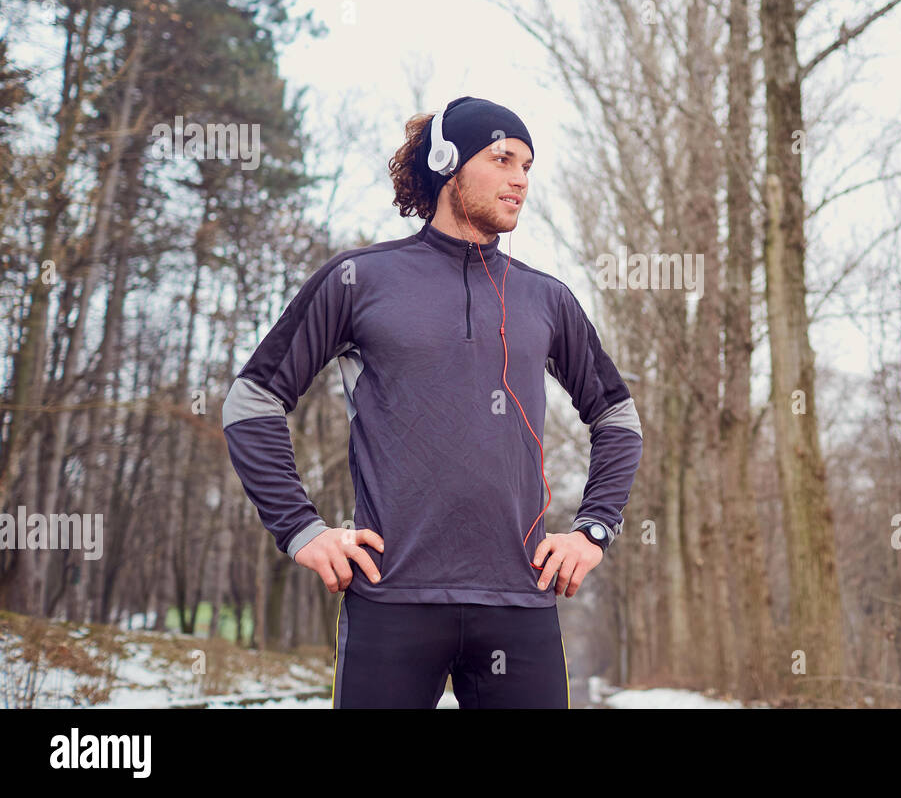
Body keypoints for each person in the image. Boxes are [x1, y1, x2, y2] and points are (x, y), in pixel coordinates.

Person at [221, 95, 643, 708]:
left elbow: (617, 416)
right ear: (448, 163)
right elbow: (252, 399)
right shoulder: (359, 280)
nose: (520, 179)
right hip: (391, 599)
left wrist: (593, 530)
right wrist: (301, 530)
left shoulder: (546, 299)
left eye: (528, 165)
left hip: (521, 602)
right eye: (503, 159)